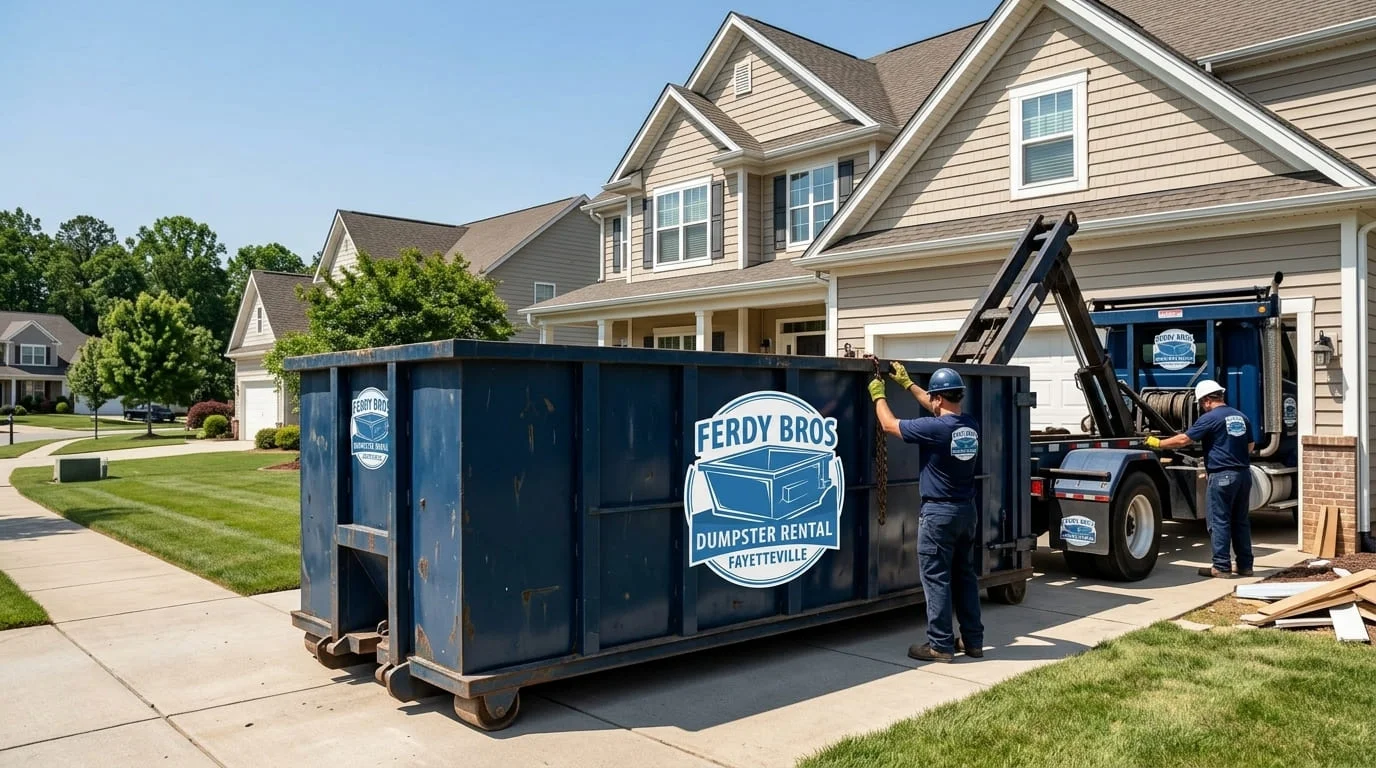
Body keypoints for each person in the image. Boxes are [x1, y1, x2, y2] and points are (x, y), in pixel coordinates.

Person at [869, 362, 984, 663]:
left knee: (936, 579)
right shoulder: (969, 425)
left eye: (933, 397)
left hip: (938, 516)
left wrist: (878, 395)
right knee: (965, 577)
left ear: (938, 399)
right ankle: (973, 642)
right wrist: (907, 384)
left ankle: (941, 645)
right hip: (965, 512)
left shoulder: (934, 429)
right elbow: (935, 406)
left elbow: (889, 425)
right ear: (957, 396)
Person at [1146, 380, 1255, 578]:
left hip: (1222, 476)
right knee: (1240, 521)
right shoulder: (1241, 416)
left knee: (1219, 521)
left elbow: (1183, 440)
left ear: (1206, 401)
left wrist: (1157, 443)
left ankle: (1221, 567)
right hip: (1243, 474)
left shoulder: (1210, 418)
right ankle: (1245, 566)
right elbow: (1250, 445)